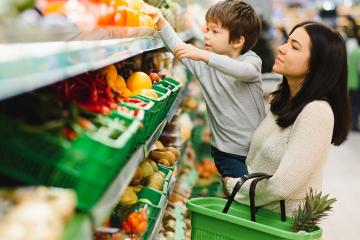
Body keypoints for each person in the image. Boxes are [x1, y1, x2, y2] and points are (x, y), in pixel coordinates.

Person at [222, 21, 351, 215]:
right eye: (287, 41)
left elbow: (281, 186)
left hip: (279, 226)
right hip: (255, 217)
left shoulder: (316, 112)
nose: (282, 48)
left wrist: (233, 185)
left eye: (294, 46)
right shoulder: (282, 99)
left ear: (316, 65)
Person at [146, 0, 266, 178]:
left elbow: (245, 72)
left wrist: (204, 54)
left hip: (258, 148)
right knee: (241, 197)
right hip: (227, 153)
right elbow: (178, 47)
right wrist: (161, 21)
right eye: (207, 29)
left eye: (214, 31)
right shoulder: (204, 66)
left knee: (254, 197)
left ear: (238, 41)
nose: (206, 35)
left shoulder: (250, 61)